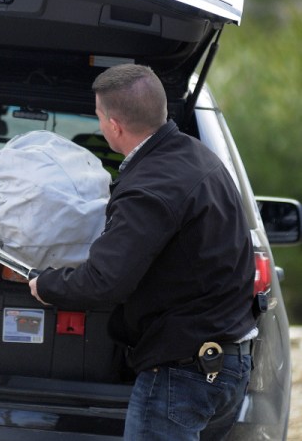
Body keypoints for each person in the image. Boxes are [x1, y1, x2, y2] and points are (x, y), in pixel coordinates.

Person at [29, 64, 256, 440]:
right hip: (226, 364)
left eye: (99, 117)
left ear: (114, 125)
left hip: (183, 374)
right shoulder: (199, 158)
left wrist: (45, 284)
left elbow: (105, 281)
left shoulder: (151, 187)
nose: (101, 125)